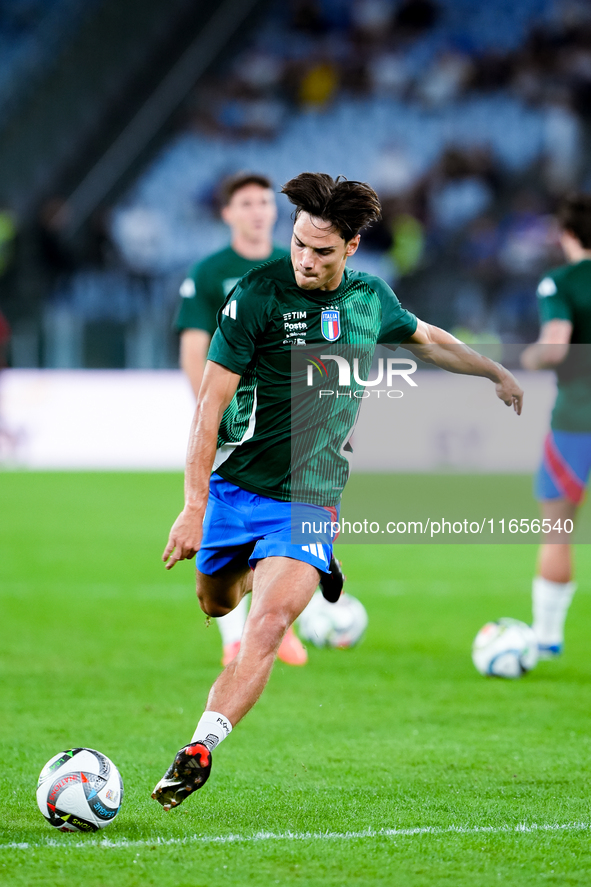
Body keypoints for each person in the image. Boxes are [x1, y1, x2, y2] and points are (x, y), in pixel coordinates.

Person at [152, 172, 523, 811]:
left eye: (322, 251)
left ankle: (200, 747)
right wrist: (193, 506)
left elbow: (428, 339)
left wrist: (491, 369)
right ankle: (256, 566)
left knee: (265, 627)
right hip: (236, 491)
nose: (304, 259)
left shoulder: (370, 299)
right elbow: (209, 407)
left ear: (350, 248)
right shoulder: (257, 294)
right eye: (299, 244)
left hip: (311, 497)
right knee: (217, 604)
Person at [175, 171, 309, 667]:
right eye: (246, 203)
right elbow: (194, 346)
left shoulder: (294, 267)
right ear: (228, 213)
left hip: (283, 424)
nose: (257, 211)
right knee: (223, 524)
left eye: (263, 203)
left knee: (285, 520)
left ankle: (265, 625)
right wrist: (213, 413)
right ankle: (236, 636)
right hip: (232, 424)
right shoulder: (210, 272)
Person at [521, 194, 591, 658]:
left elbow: (556, 347)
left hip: (577, 420)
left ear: (567, 234)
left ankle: (546, 638)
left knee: (559, 528)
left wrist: (524, 357)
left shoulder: (560, 282)